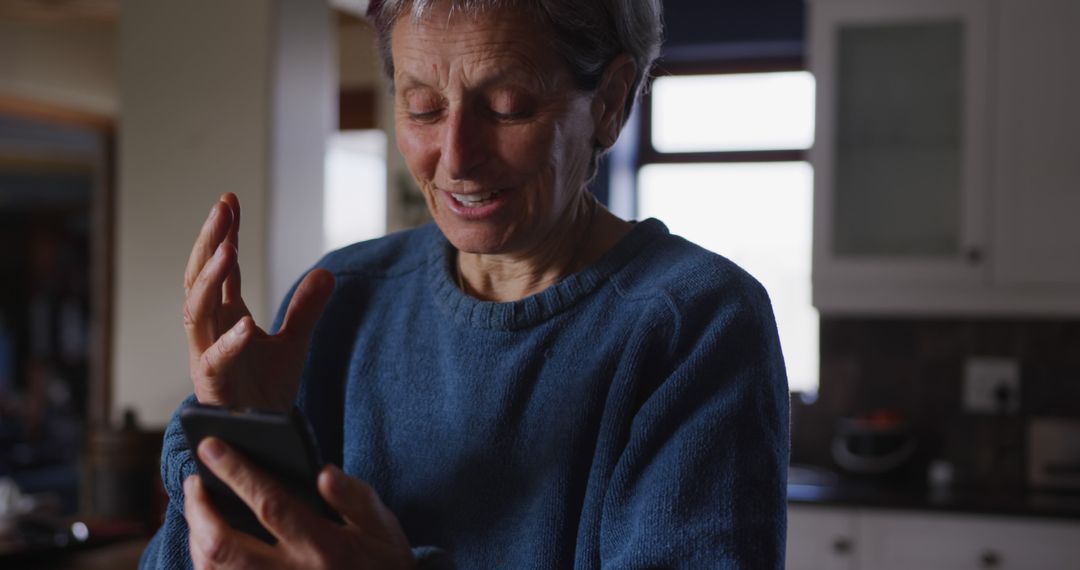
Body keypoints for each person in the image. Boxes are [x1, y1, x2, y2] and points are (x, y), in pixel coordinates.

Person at [139, 0, 790, 568]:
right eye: (423, 107)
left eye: (507, 108)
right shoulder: (341, 297)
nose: (455, 157)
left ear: (612, 102)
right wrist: (232, 442)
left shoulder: (691, 320)